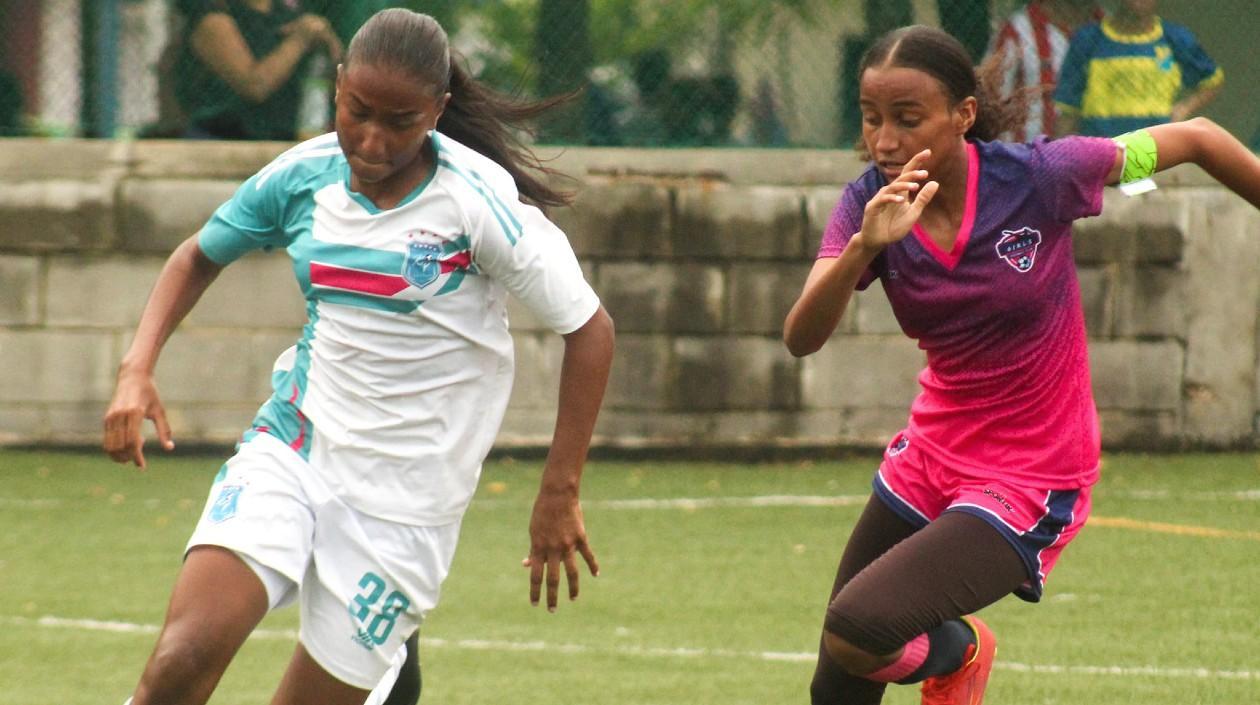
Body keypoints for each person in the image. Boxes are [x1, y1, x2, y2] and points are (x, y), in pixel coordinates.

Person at [103, 9, 614, 705]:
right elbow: (196, 255)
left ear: (438, 109)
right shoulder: (306, 174)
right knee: (182, 657)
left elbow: (589, 329)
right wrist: (137, 368)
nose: (371, 140)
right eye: (356, 111)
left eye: (400, 121)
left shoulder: (478, 200)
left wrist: (560, 490)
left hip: (406, 507)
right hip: (295, 448)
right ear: (338, 87)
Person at [783, 24, 1260, 705]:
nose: (884, 141)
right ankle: (946, 653)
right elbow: (801, 335)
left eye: (907, 119)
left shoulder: (1042, 176)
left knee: (859, 627)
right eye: (871, 119)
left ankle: (963, 651)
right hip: (931, 455)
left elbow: (1199, 138)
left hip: (1031, 471)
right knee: (838, 679)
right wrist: (863, 249)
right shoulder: (868, 204)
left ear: (963, 116)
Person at [173, 0, 343, 140]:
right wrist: (299, 39)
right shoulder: (212, 16)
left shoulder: (289, 14)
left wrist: (325, 44)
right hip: (220, 139)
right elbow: (255, 86)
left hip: (283, 138)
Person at [1053, 0, 1223, 138]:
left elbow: (1212, 81)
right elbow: (1068, 110)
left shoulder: (1175, 39)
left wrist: (1183, 108)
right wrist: (1055, 164)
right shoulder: (1088, 39)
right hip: (1101, 154)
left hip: (1155, 154)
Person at [987, 0, 1102, 141]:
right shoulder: (1017, 30)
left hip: (1095, 152)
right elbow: (991, 99)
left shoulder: (1107, 29)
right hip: (1027, 154)